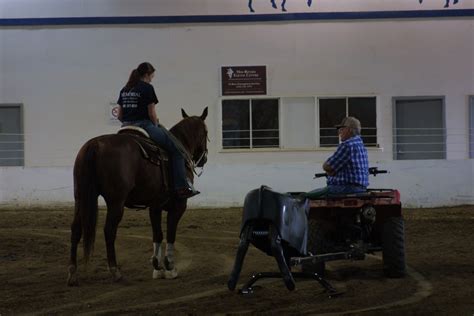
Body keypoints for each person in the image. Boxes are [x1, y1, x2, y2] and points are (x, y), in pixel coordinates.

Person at [117, 62, 199, 199]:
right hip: (144, 125)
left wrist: (128, 122)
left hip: (125, 127)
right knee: (177, 150)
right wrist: (155, 124)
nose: (151, 79)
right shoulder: (147, 88)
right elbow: (151, 114)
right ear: (147, 74)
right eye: (152, 76)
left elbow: (119, 115)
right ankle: (181, 187)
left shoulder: (125, 89)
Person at [304, 116, 369, 198]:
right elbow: (333, 169)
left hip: (347, 188)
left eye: (341, 129)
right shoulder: (360, 144)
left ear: (349, 129)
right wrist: (332, 171)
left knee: (307, 196)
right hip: (360, 188)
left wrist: (331, 171)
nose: (339, 132)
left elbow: (327, 166)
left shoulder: (347, 145)